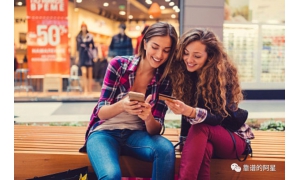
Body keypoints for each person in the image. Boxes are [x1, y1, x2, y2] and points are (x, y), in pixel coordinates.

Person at [79, 21, 179, 180]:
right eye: (155, 47)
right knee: (111, 175)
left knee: (165, 149)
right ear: (145, 43)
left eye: (166, 50)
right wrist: (122, 105)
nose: (159, 55)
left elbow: (155, 130)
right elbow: (101, 112)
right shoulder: (118, 65)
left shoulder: (165, 80)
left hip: (136, 135)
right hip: (104, 133)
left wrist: (148, 117)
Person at [165, 28, 255, 180]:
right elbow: (187, 118)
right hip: (207, 140)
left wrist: (190, 112)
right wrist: (185, 141)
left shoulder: (220, 77)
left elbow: (217, 118)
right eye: (186, 53)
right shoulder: (187, 76)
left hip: (233, 139)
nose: (189, 59)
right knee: (204, 149)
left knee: (201, 126)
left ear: (210, 56)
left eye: (197, 55)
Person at [76, 22, 95, 94]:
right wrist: (77, 56)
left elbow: (93, 47)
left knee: (90, 73)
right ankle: (85, 89)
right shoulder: (78, 36)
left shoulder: (90, 36)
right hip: (82, 55)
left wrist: (94, 55)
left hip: (89, 56)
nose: (83, 28)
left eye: (84, 27)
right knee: (84, 72)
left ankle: (90, 89)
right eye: (82, 27)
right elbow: (77, 48)